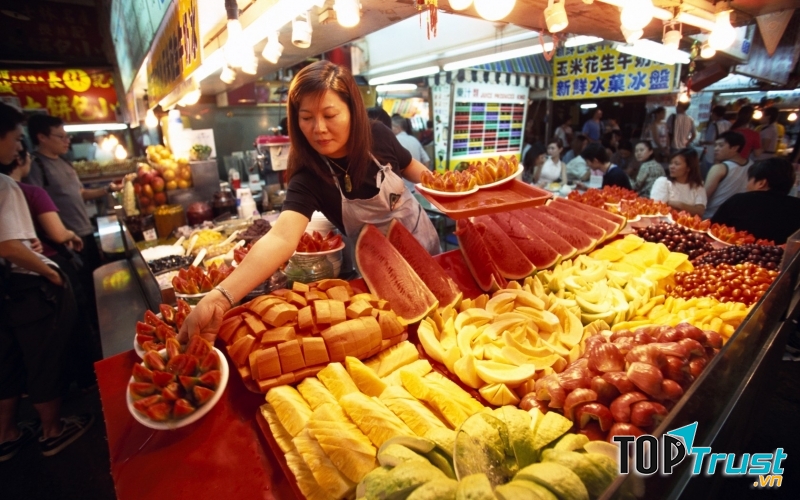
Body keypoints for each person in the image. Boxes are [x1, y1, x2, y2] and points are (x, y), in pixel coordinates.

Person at [178, 61, 439, 342]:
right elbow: (281, 238)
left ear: (353, 110)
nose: (319, 129)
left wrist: (464, 201)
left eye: (330, 115)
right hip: (381, 279)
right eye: (306, 118)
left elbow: (423, 176)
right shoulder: (308, 174)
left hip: (429, 254)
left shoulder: (379, 136)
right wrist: (220, 298)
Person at [0, 103, 94, 461]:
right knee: (43, 355)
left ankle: (6, 433)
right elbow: (9, 245)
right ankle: (52, 430)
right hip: (26, 284)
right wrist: (51, 272)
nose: (16, 145)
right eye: (14, 138)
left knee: (7, 359)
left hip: (6, 288)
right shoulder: (8, 186)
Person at [1, 145, 99, 390]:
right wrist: (53, 272)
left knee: (23, 353)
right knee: (69, 328)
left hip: (11, 285)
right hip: (42, 271)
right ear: (20, 159)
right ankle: (85, 384)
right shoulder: (26, 192)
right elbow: (55, 233)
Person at [712, 158, 800, 244]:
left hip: (733, 256)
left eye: (749, 180)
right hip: (782, 258)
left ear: (761, 183)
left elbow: (713, 230)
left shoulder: (739, 201)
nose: (746, 185)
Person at [703, 131, 752, 219]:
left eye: (721, 145)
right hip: (736, 218)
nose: (716, 149)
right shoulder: (752, 165)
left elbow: (704, 196)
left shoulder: (720, 168)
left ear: (735, 148)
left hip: (712, 216)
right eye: (716, 145)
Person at [650, 149, 707, 216]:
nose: (671, 167)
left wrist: (679, 205)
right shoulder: (663, 182)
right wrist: (691, 209)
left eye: (677, 164)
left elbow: (700, 212)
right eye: (671, 163)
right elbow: (658, 208)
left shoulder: (698, 186)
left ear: (688, 168)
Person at [700, 105, 731, 177]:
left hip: (712, 153)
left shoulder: (714, 124)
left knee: (709, 173)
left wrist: (703, 142)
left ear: (714, 114)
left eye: (712, 113)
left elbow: (711, 140)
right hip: (724, 154)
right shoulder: (728, 124)